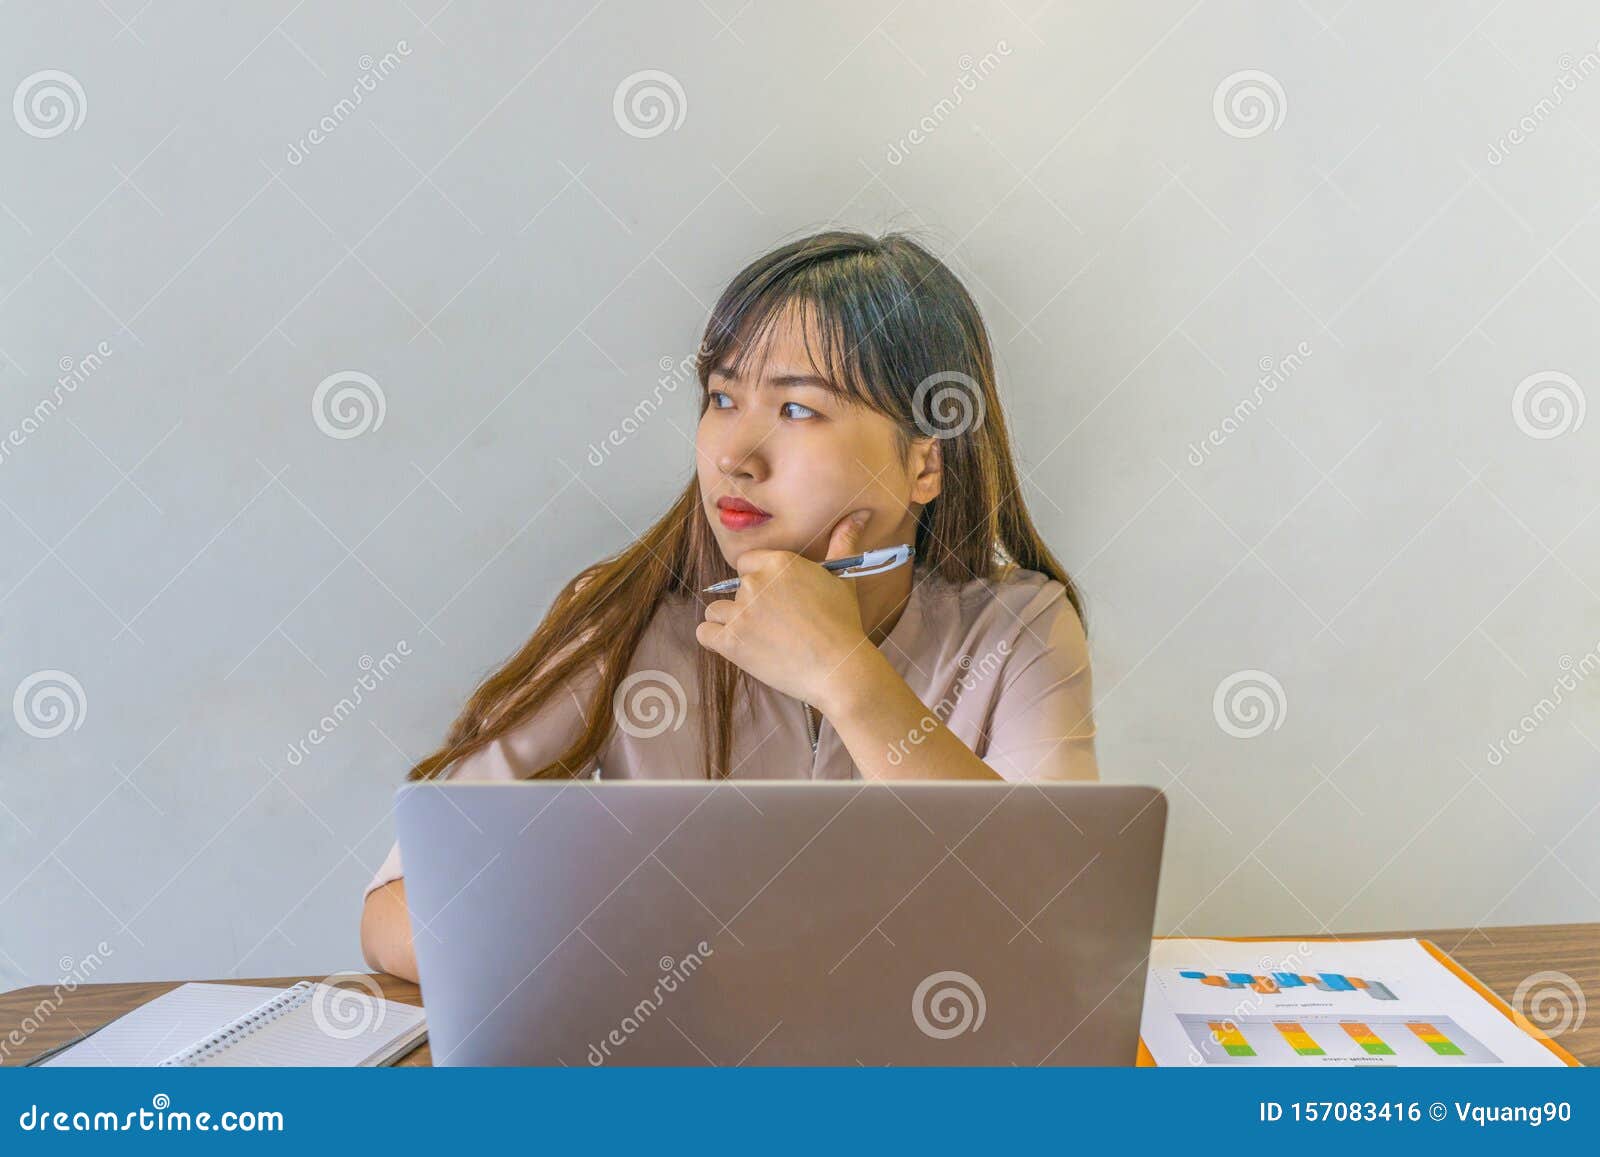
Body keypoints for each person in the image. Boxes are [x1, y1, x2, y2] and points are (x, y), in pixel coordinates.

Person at [360, 230, 1098, 982]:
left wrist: (845, 675)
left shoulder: (1021, 630)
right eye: (722, 396)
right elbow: (398, 909)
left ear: (924, 462)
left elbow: (1056, 921)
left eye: (799, 409)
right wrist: (620, 965)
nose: (734, 456)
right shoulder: (624, 618)